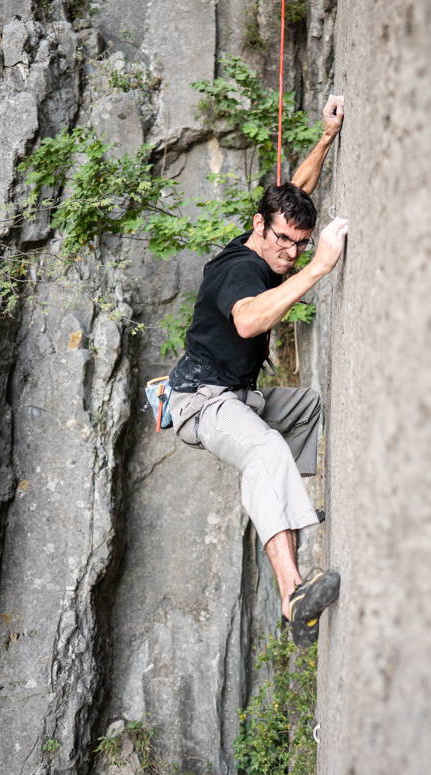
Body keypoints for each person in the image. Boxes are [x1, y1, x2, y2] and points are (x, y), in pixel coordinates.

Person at [166, 95, 348, 647]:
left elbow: (298, 189)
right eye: (283, 241)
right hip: (201, 401)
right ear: (257, 228)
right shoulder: (242, 270)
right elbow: (247, 322)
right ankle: (293, 597)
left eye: (300, 244)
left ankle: (282, 506)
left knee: (306, 407)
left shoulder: (270, 234)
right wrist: (320, 266)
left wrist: (325, 136)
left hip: (237, 394)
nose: (290, 252)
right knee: (265, 452)